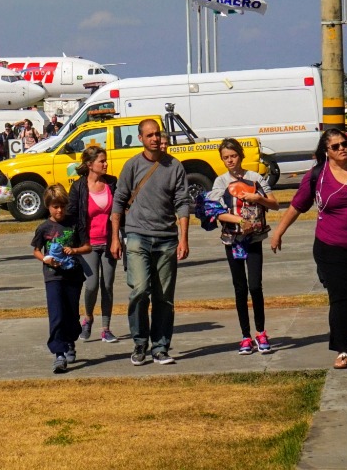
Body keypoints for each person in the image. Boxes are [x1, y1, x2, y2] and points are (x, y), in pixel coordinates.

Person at [270, 129, 347, 370]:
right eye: (336, 146)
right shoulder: (317, 176)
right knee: (342, 297)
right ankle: (342, 349)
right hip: (332, 247)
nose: (342, 148)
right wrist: (279, 231)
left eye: (345, 143)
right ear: (326, 151)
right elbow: (297, 205)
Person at [110, 118, 191, 367]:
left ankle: (160, 347)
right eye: (150, 135)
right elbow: (119, 201)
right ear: (141, 139)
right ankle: (139, 343)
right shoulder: (132, 165)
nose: (155, 138)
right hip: (137, 236)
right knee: (140, 291)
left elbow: (182, 203)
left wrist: (184, 238)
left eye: (157, 134)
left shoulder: (174, 166)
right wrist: (115, 237)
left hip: (166, 239)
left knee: (164, 296)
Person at [207, 139, 278, 355]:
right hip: (233, 241)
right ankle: (245, 336)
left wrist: (258, 197)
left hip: (254, 240)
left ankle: (261, 332)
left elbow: (274, 203)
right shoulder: (220, 182)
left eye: (233, 156)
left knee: (255, 286)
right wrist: (238, 221)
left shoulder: (255, 178)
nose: (230, 161)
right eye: (225, 157)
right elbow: (214, 211)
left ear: (241, 155)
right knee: (240, 288)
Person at [32, 185, 92, 374]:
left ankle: (70, 340)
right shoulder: (43, 228)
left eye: (63, 207)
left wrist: (74, 251)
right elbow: (36, 250)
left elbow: (87, 247)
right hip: (53, 276)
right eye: (55, 207)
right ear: (48, 206)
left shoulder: (75, 223)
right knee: (56, 313)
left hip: (73, 274)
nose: (60, 210)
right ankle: (59, 354)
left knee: (71, 314)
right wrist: (46, 259)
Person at [67, 145, 118, 344]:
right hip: (87, 244)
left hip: (109, 242)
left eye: (105, 161)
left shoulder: (112, 183)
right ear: (90, 164)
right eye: (101, 161)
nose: (105, 164)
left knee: (107, 285)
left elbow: (119, 210)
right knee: (91, 285)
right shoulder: (79, 187)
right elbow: (71, 214)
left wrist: (118, 238)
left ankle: (106, 328)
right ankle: (88, 318)